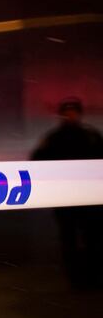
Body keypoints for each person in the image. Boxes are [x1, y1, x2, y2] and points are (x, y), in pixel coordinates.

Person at [31, 97, 103, 290]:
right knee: (69, 238)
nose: (70, 115)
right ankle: (75, 280)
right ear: (62, 115)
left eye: (74, 112)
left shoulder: (92, 136)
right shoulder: (53, 138)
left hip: (91, 200)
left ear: (79, 114)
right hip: (65, 200)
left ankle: (93, 278)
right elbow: (37, 162)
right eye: (67, 112)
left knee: (92, 238)